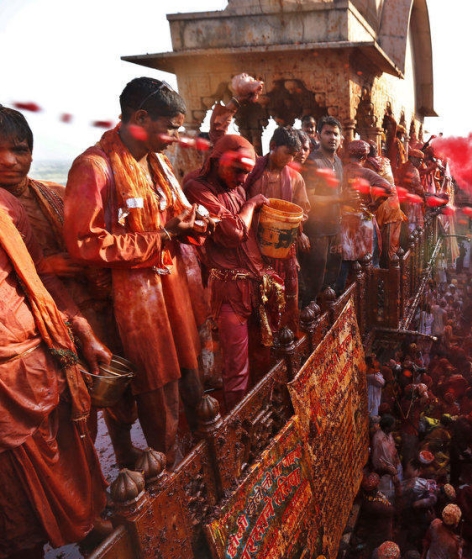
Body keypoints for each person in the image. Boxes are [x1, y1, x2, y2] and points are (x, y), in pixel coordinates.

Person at [64, 77, 207, 466]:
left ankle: (192, 460)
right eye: (172, 127)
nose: (177, 137)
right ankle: (161, 473)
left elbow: (174, 219)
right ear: (141, 117)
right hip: (130, 302)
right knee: (150, 384)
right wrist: (159, 236)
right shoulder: (94, 167)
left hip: (171, 290)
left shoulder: (157, 162)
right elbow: (84, 243)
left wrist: (191, 225)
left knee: (188, 373)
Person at [0, 189, 110, 558]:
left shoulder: (7, 206)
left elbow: (38, 277)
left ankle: (90, 529)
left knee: (72, 462)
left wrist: (83, 330)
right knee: (14, 513)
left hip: (38, 360)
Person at [184, 134, 284, 410]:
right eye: (237, 170)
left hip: (254, 283)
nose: (242, 179)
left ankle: (262, 411)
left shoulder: (236, 188)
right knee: (236, 367)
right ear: (217, 161)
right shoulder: (197, 187)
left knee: (263, 351)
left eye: (246, 173)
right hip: (228, 289)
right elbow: (233, 233)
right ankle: (239, 430)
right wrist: (251, 205)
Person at [245, 127, 310, 335]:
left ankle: (286, 336)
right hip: (253, 245)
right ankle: (263, 338)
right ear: (272, 146)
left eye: (293, 154)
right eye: (287, 152)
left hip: (283, 246)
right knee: (258, 296)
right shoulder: (251, 172)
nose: (290, 158)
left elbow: (303, 210)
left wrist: (298, 229)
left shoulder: (295, 178)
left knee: (286, 294)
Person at [299, 116, 344, 306]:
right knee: (314, 281)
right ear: (319, 135)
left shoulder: (338, 161)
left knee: (331, 278)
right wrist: (338, 199)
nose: (332, 137)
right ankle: (306, 325)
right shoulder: (313, 161)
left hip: (334, 228)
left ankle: (323, 322)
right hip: (316, 230)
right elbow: (307, 199)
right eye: (327, 133)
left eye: (335, 134)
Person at [337, 139, 389, 292]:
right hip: (363, 221)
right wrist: (376, 204)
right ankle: (372, 294)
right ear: (365, 157)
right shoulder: (366, 172)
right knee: (370, 262)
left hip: (345, 222)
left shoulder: (341, 170)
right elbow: (389, 188)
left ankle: (342, 298)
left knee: (345, 263)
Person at [366, 141, 406, 268]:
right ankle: (389, 270)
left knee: (385, 245)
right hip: (392, 205)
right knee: (391, 243)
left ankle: (387, 273)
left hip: (385, 206)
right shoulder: (385, 160)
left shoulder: (370, 164)